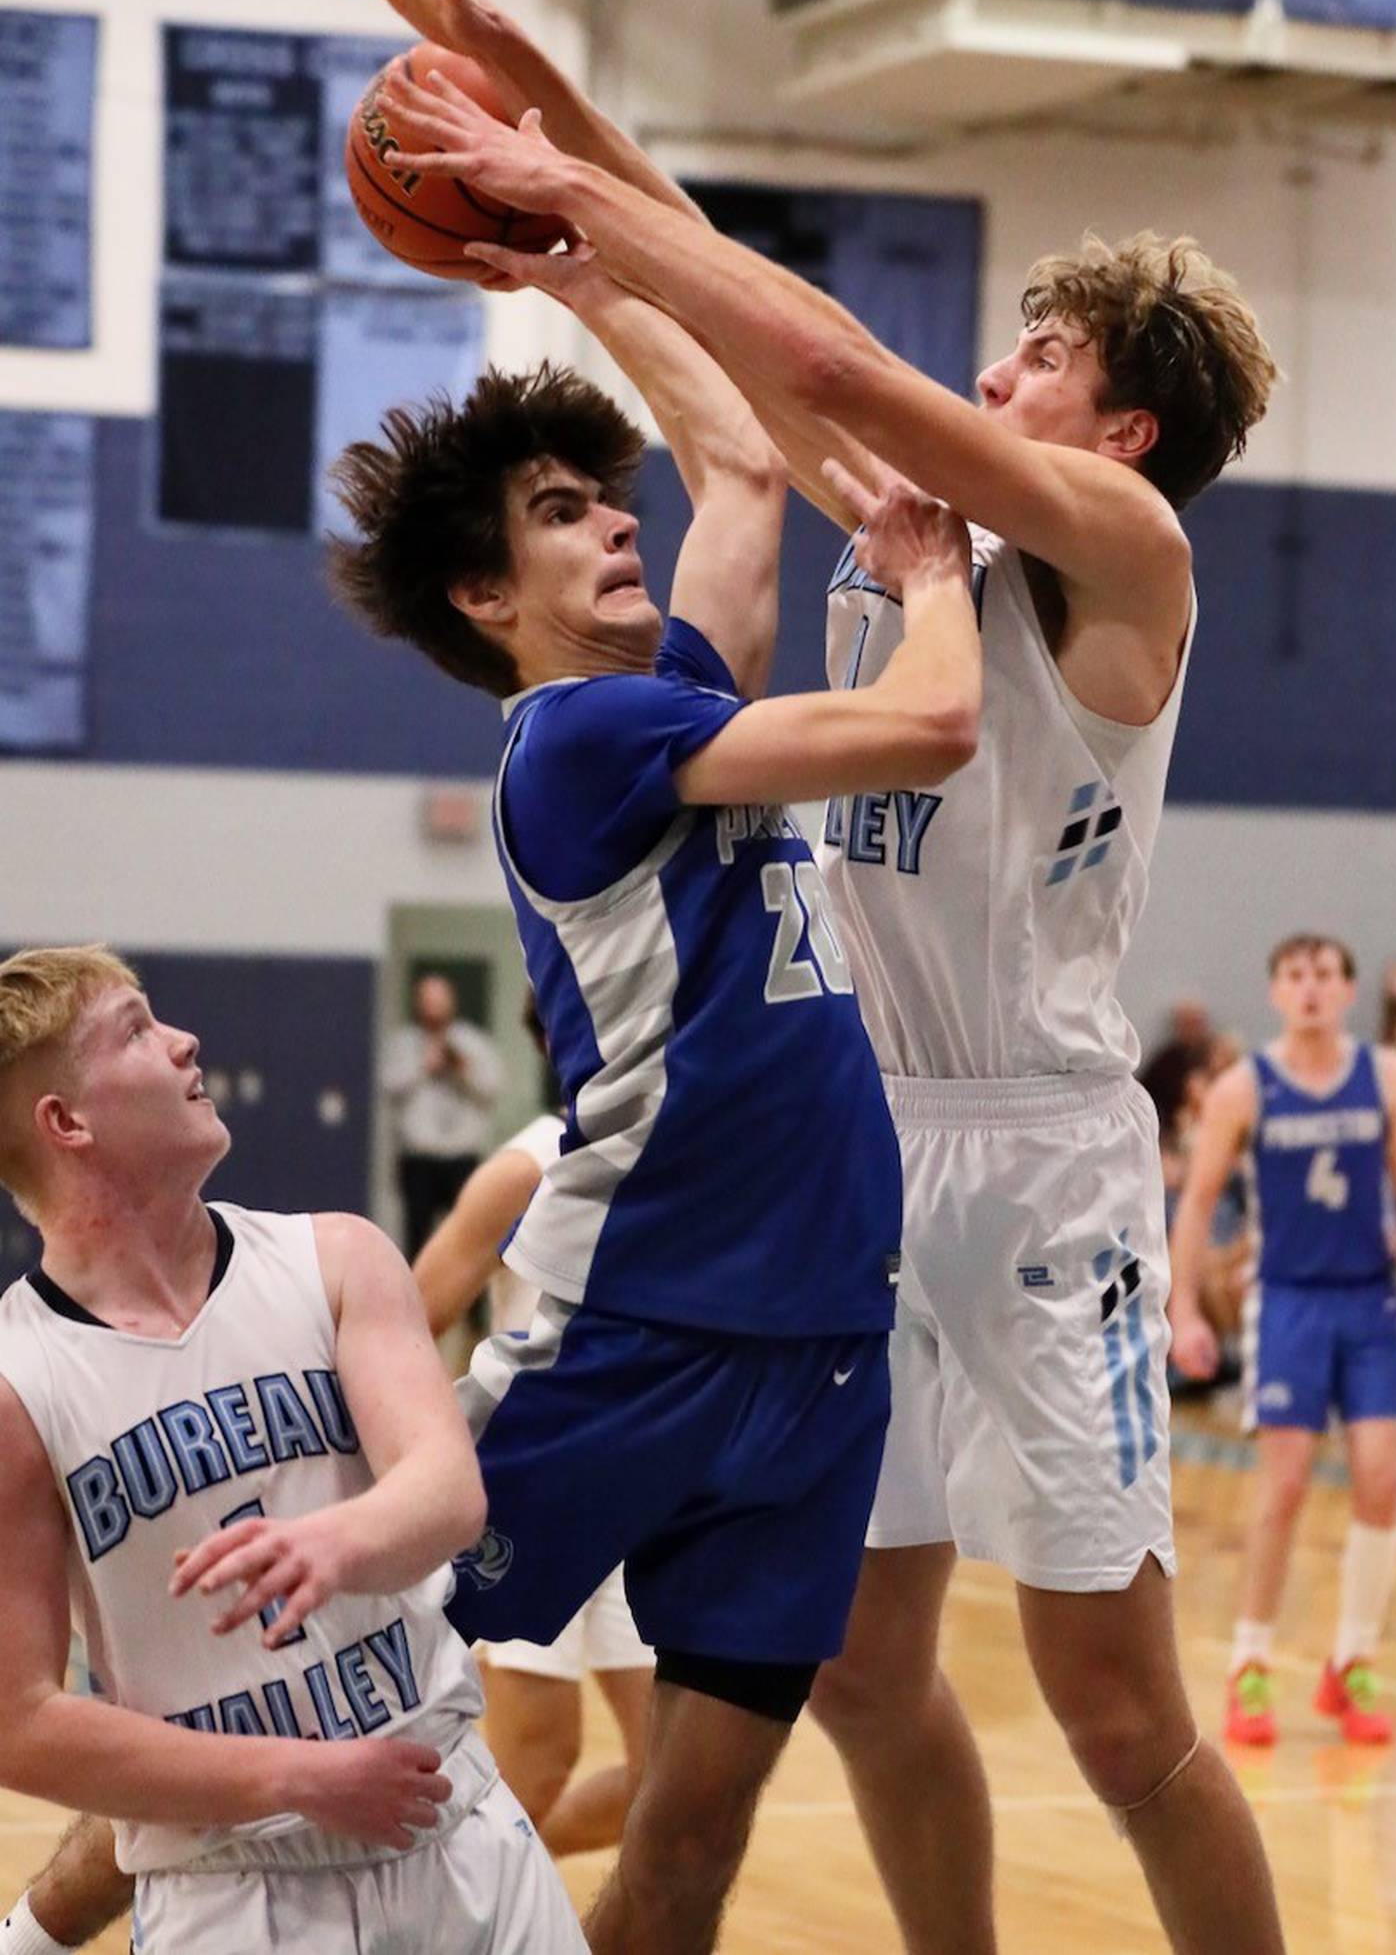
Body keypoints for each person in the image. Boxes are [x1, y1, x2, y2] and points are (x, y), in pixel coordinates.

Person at [321, 0, 1285, 1952]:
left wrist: (553, 184)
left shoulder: (1120, 544)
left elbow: (814, 345)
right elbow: (734, 327)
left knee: (1119, 1722)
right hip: (868, 1156)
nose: (997, 360)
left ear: (1119, 425)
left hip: (1039, 1165)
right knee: (858, 1668)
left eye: (1041, 350)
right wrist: (532, 93)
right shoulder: (916, 519)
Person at [325, 196, 981, 1950]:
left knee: (692, 1850)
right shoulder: (584, 734)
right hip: (639, 1319)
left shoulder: (674, 697)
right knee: (318, 1707)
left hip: (822, 1337)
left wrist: (590, 279)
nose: (618, 516)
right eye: (560, 514)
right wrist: (930, 581)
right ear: (487, 598)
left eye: (601, 496)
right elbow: (933, 725)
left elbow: (743, 472)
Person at [0, 942, 585, 1955]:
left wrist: (337, 1541)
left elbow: (447, 1490)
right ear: (67, 1121)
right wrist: (287, 1776)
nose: (185, 1040)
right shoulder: (21, 1380)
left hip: (459, 1829)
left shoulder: (336, 1255)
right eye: (136, 1030)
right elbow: (21, 1719)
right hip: (237, 1887)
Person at [1170, 934, 1396, 1745]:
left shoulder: (1385, 1077)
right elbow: (1195, 1204)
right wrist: (1183, 1307)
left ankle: (1349, 1662)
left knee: (1383, 1483)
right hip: (1288, 1301)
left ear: (1350, 990)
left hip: (1369, 1303)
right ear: (1277, 991)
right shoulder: (1244, 1088)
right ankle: (1248, 1664)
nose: (1312, 987)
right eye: (1296, 974)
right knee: (1283, 1488)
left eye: (1325, 974)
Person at [412, 998, 653, 1859]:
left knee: (671, 1776)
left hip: (643, 1493)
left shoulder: (681, 1154)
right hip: (530, 1489)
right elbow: (417, 1313)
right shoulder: (528, 1167)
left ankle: (487, 1895)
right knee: (540, 1752)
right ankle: (461, 1902)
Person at [383, 971, 505, 1261]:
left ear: (452, 1002)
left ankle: (469, 1306)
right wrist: (423, 1066)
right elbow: (388, 1086)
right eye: (428, 1000)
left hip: (461, 1159)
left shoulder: (473, 1043)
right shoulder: (403, 1043)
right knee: (417, 1238)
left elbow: (492, 1089)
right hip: (418, 1158)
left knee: (469, 1238)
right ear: (418, 1003)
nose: (434, 1007)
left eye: (440, 999)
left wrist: (464, 1070)